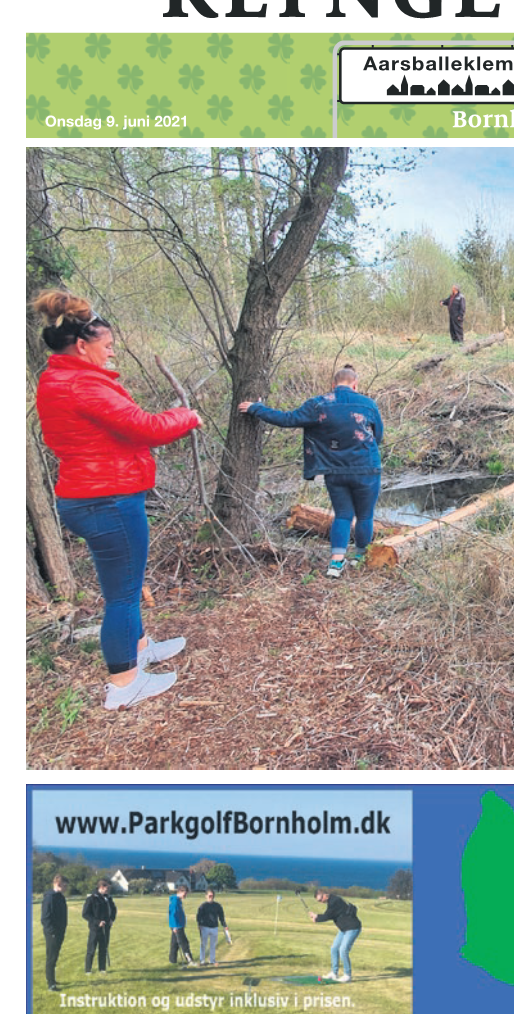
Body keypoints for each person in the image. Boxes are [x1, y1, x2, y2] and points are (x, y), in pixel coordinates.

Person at [32, 291, 203, 710]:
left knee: (122, 585)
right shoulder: (82, 383)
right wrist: (186, 416)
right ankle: (125, 683)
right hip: (107, 500)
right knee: (123, 596)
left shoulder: (59, 379)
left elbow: (117, 428)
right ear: (82, 346)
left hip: (90, 496)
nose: (111, 354)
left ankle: (139, 646)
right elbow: (144, 428)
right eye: (107, 347)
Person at [240, 365, 383, 578]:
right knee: (365, 516)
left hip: (335, 470)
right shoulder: (368, 404)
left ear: (333, 385)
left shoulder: (319, 404)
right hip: (367, 468)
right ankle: (360, 557)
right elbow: (378, 435)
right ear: (355, 385)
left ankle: (335, 564)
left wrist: (256, 408)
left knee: (343, 515)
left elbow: (287, 419)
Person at [310, 889, 362, 983]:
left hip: (352, 928)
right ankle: (334, 973)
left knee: (343, 950)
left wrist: (316, 918)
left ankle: (347, 975)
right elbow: (330, 914)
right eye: (319, 901)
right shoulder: (332, 901)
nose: (321, 902)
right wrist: (316, 916)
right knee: (334, 948)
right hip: (344, 929)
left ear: (324, 895)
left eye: (320, 900)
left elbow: (328, 915)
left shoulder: (335, 901)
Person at [82, 878, 117, 976]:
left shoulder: (109, 898)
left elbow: (113, 910)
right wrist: (97, 922)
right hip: (95, 929)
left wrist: (112, 919)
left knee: (103, 949)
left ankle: (102, 968)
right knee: (91, 949)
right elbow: (85, 914)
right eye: (107, 888)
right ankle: (88, 970)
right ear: (101, 887)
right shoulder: (91, 898)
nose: (108, 890)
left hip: (106, 928)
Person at [41, 873, 68, 992]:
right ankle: (51, 984)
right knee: (51, 958)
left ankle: (52, 979)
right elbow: (45, 918)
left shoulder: (60, 897)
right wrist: (52, 932)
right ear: (58, 884)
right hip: (52, 933)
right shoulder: (49, 898)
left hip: (60, 932)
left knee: (55, 956)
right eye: (65, 885)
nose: (66, 888)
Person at [196, 888, 227, 966]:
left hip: (214, 927)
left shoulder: (218, 906)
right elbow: (198, 916)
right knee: (203, 944)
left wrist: (224, 925)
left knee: (213, 945)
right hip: (204, 927)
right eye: (209, 896)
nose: (211, 897)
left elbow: (221, 916)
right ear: (206, 896)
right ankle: (202, 960)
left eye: (212, 896)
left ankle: (212, 960)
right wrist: (199, 924)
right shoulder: (203, 906)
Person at [168, 885, 197, 967]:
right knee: (184, 943)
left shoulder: (178, 901)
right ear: (180, 892)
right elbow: (172, 915)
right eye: (185, 894)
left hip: (179, 925)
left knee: (174, 943)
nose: (185, 896)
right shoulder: (175, 902)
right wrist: (174, 927)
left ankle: (172, 960)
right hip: (177, 926)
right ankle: (190, 961)